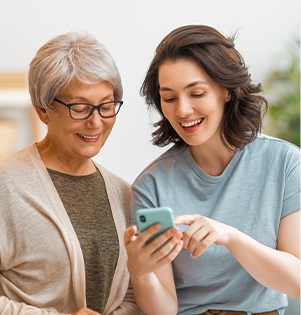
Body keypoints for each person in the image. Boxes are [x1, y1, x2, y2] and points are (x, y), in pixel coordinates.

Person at [124, 24, 300, 315]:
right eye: (169, 98)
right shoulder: (151, 185)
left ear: (227, 91)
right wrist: (141, 271)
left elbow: (295, 282)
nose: (182, 110)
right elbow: (164, 310)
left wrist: (229, 237)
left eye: (196, 93)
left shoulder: (284, 163)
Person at [0, 32, 142, 315]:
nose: (96, 122)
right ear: (43, 110)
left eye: (106, 106)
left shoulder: (124, 193)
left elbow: (131, 292)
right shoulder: (2, 184)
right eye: (80, 108)